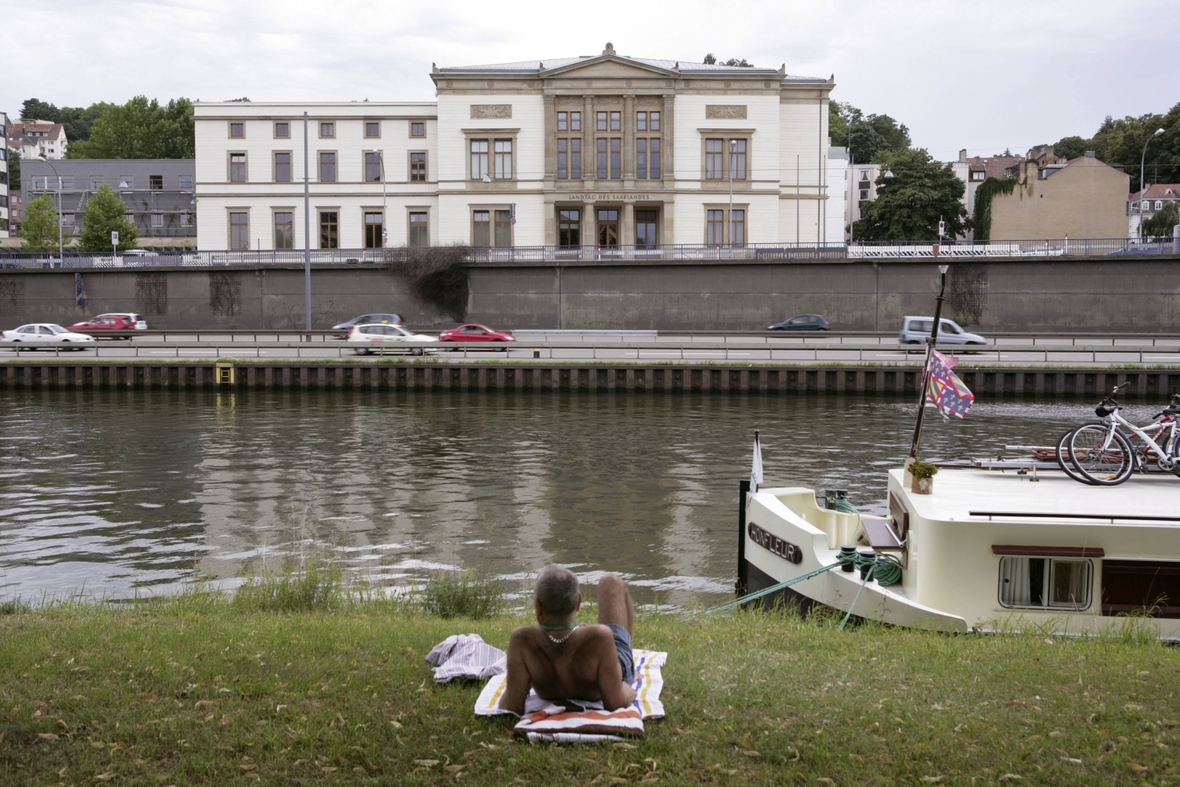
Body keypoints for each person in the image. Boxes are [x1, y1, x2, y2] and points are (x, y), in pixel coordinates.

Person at [498, 565, 637, 715]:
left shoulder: (522, 640)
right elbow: (615, 703)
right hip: (612, 672)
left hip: (555, 677)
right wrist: (628, 690)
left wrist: (519, 680)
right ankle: (630, 660)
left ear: (538, 606)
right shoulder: (601, 636)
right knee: (611, 582)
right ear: (578, 601)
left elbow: (510, 707)